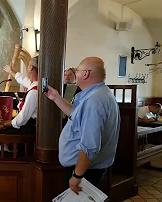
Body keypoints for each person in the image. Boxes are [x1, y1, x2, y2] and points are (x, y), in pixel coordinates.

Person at [44, 57, 120, 194]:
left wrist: (77, 175)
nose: (76, 74)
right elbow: (76, 115)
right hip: (87, 168)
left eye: (77, 71)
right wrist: (56, 97)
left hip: (85, 171)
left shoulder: (94, 100)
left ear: (86, 73)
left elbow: (89, 145)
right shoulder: (100, 93)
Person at [0, 56, 39, 135]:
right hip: (27, 123)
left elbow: (22, 119)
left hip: (29, 127)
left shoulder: (33, 92)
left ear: (31, 67)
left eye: (28, 65)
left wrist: (4, 124)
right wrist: (11, 71)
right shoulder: (36, 85)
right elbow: (24, 80)